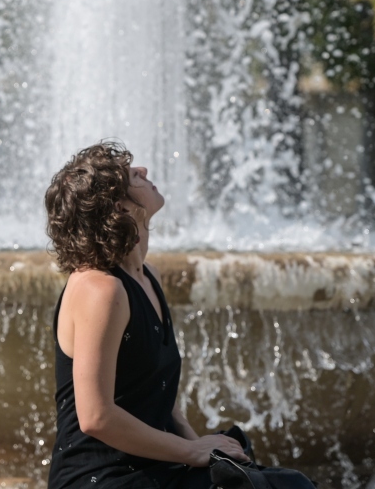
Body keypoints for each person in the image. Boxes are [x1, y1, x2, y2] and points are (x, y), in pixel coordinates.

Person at [43, 142, 250, 488]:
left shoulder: (147, 275)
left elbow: (159, 397)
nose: (144, 172)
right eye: (131, 175)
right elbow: (96, 417)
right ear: (119, 206)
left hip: (153, 469)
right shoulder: (101, 289)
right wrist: (192, 452)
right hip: (103, 479)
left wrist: (204, 449)